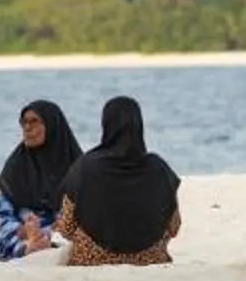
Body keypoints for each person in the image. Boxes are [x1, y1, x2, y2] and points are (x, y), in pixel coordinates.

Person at [56, 94, 184, 268]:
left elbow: (66, 228)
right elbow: (174, 228)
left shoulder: (85, 168)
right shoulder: (159, 168)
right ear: (139, 125)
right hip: (151, 258)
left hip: (93, 258)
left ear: (105, 124)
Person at [0, 99, 82, 258]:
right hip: (23, 236)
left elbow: (87, 211)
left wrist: (58, 228)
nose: (27, 128)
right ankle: (32, 250)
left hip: (63, 235)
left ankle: (42, 248)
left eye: (34, 121)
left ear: (52, 125)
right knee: (12, 243)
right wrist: (22, 230)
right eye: (23, 122)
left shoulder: (76, 166)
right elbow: (2, 214)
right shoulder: (15, 166)